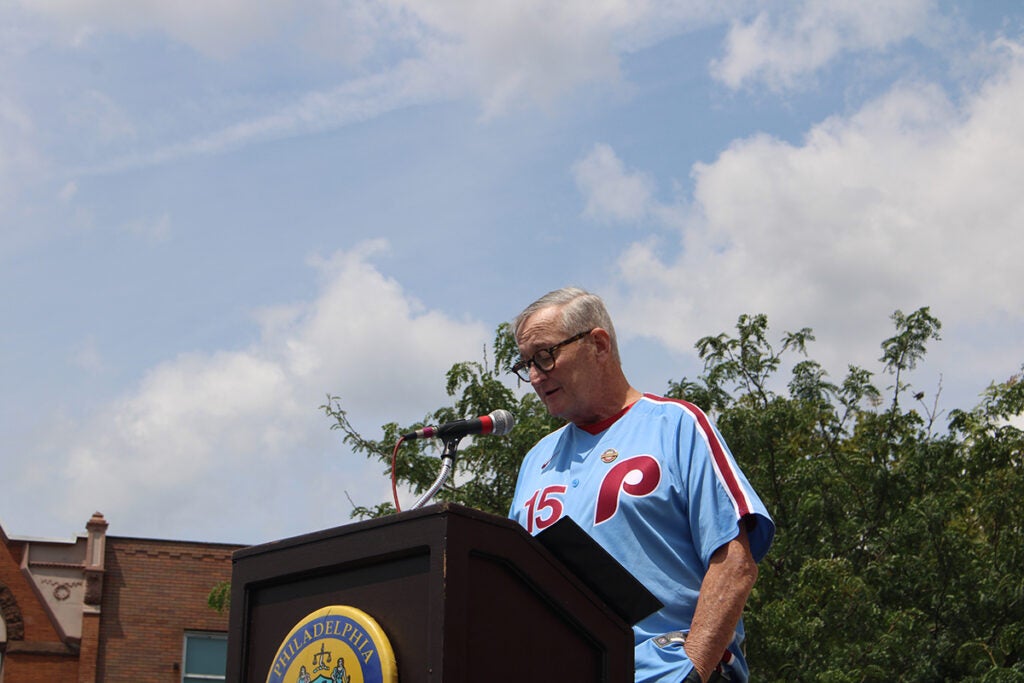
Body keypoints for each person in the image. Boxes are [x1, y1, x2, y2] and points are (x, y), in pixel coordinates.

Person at [507, 287, 774, 683]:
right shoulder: (535, 462)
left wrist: (691, 671)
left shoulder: (677, 425)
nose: (533, 376)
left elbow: (735, 562)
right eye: (525, 363)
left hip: (665, 669)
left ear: (597, 344)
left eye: (545, 355)